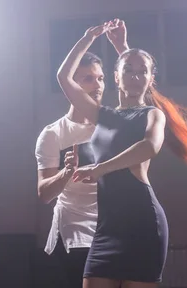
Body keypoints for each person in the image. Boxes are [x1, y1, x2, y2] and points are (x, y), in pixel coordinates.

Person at [57, 20, 187, 288]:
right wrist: (87, 39)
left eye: (143, 72)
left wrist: (99, 168)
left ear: (151, 79)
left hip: (142, 223)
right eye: (128, 71)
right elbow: (63, 78)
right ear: (116, 76)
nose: (136, 77)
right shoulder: (101, 115)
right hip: (107, 229)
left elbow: (149, 146)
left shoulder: (152, 114)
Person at [35, 21, 129, 288]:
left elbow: (137, 94)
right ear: (72, 85)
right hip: (76, 230)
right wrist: (66, 173)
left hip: (114, 225)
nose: (97, 84)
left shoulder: (111, 123)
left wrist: (122, 47)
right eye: (88, 78)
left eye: (100, 78)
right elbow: (44, 194)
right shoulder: (53, 134)